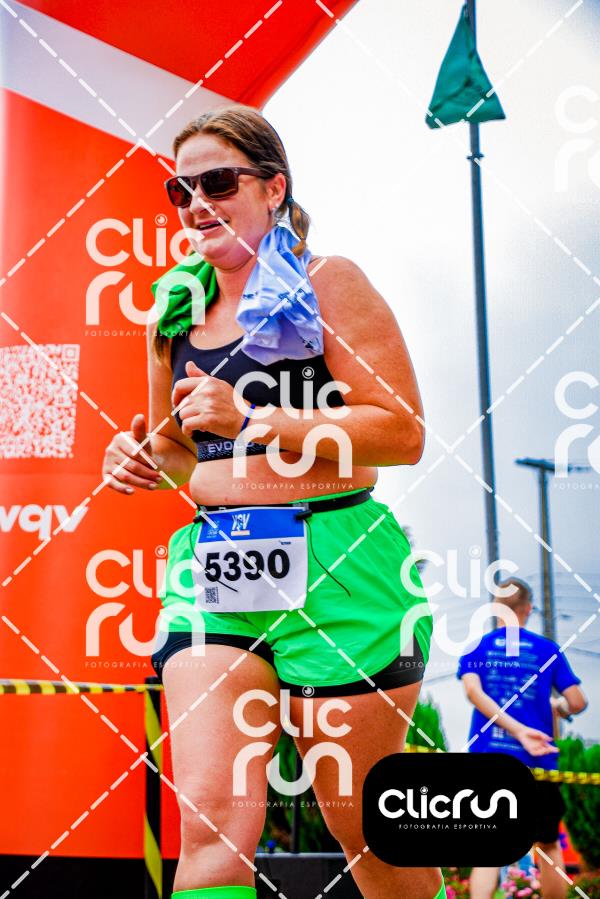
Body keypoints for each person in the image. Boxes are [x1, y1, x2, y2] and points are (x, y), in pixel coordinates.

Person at [102, 105, 446, 899]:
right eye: (182, 190)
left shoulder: (331, 282)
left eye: (219, 181)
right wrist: (140, 456)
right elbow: (178, 446)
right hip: (217, 562)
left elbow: (400, 431)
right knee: (209, 822)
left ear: (273, 188)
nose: (198, 203)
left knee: (366, 830)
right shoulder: (173, 308)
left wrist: (257, 420)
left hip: (340, 561)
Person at [457, 577, 587, 899]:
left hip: (489, 759)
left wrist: (513, 729)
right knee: (548, 845)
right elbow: (577, 702)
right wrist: (559, 707)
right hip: (538, 763)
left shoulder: (477, 648)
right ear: (528, 609)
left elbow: (473, 691)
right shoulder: (547, 650)